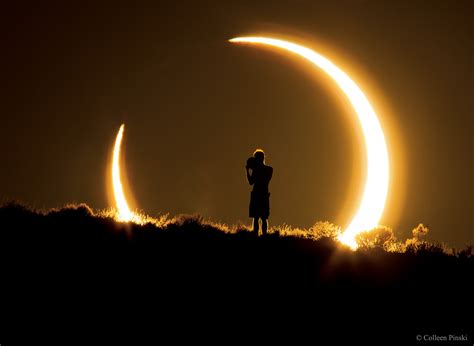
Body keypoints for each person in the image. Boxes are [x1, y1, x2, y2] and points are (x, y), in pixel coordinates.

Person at [246, 149, 273, 235]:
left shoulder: (257, 170)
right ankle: (264, 235)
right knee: (264, 217)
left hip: (257, 194)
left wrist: (247, 171)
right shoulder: (269, 169)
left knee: (256, 217)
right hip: (264, 194)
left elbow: (251, 182)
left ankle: (255, 235)